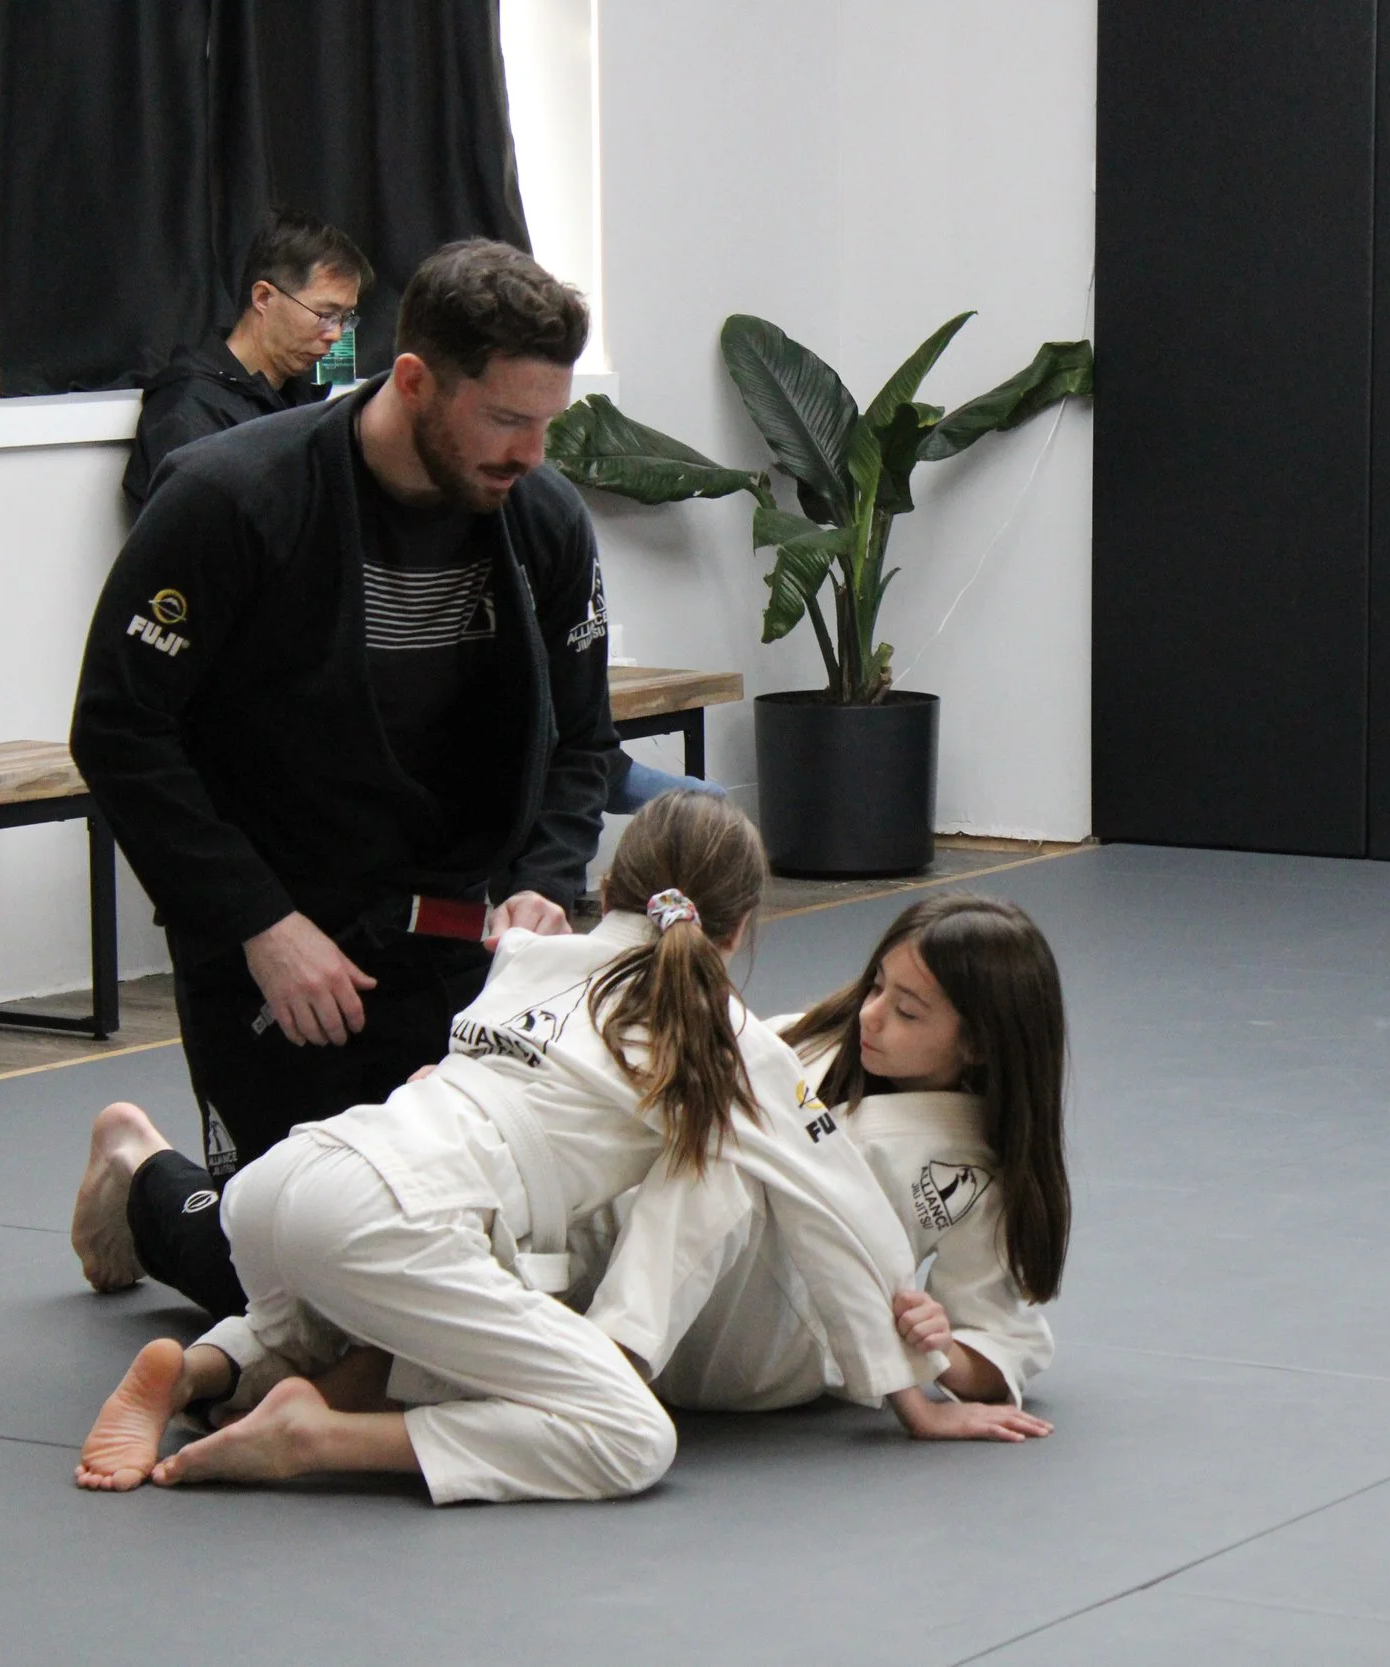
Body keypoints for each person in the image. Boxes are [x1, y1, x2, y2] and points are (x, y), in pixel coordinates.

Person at [74, 792, 1037, 1504]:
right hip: (402, 1215)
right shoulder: (727, 1037)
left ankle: (202, 1370)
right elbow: (837, 1200)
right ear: (744, 930)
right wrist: (909, 1392)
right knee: (627, 1436)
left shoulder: (531, 956)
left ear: (611, 886)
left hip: (292, 1172)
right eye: (879, 992)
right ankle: (317, 1437)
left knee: (395, 1298)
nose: (871, 1017)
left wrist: (935, 1367)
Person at [69, 240, 616, 1319]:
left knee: (507, 1256)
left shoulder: (540, 517)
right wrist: (259, 925)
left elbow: (582, 740)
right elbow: (120, 728)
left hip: (465, 942)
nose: (531, 449)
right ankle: (140, 1173)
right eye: (506, 419)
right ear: (413, 380)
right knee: (302, 1289)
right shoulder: (233, 499)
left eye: (546, 419)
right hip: (285, 948)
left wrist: (544, 879)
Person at [599, 894, 1069, 1414]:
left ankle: (606, 1365)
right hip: (639, 1278)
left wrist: (943, 1346)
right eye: (876, 986)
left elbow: (1000, 1341)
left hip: (759, 1343)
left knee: (730, 1157)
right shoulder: (801, 1042)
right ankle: (588, 1340)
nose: (870, 1015)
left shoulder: (973, 1172)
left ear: (979, 1044)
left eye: (908, 1011)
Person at [121, 207, 371, 510]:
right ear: (264, 297)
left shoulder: (300, 400)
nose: (336, 334)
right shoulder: (190, 411)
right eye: (326, 315)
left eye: (345, 318)